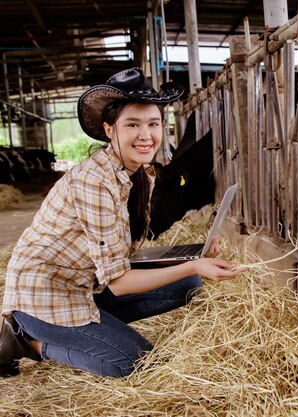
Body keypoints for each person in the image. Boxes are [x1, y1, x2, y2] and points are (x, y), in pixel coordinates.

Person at [0, 67, 244, 378]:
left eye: (153, 124)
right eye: (133, 124)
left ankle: (95, 329)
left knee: (187, 285)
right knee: (135, 363)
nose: (146, 135)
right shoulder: (94, 181)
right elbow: (119, 282)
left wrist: (193, 256)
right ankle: (24, 341)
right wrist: (194, 265)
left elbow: (122, 258)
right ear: (109, 129)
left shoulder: (139, 176)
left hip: (86, 285)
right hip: (45, 298)